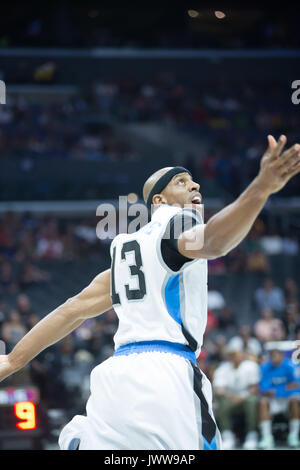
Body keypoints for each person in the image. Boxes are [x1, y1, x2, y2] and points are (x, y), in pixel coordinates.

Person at [0, 134, 300, 450]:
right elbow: (215, 241)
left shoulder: (126, 249)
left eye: (195, 181)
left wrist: (11, 361)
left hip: (116, 377)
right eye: (182, 182)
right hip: (167, 376)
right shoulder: (176, 226)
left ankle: (80, 441)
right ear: (158, 200)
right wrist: (260, 189)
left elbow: (71, 309)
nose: (195, 186)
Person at [212, 343, 260, 450]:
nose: (235, 356)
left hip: (246, 397)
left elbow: (254, 388)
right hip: (229, 398)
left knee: (252, 401)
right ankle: (227, 435)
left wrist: (242, 396)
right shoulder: (223, 368)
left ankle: (252, 435)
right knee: (222, 401)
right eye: (232, 354)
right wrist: (229, 396)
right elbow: (218, 389)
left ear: (242, 354)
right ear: (229, 356)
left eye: (238, 354)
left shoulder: (251, 366)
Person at [258, 348, 300, 449]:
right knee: (263, 402)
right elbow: (264, 388)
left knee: (295, 401)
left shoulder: (290, 366)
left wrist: (277, 391)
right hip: (273, 400)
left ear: (282, 356)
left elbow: (296, 385)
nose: (274, 358)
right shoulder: (265, 367)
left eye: (276, 355)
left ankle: (293, 436)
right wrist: (285, 388)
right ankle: (267, 437)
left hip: (288, 399)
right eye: (272, 356)